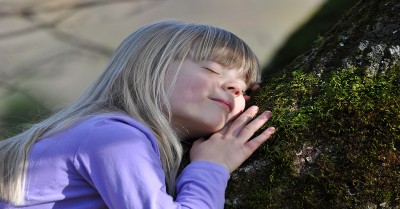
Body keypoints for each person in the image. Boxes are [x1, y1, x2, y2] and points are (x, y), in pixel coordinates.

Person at [0, 20, 275, 209]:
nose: (234, 88)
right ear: (150, 69)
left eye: (243, 89)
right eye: (213, 69)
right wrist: (212, 166)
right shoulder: (113, 137)